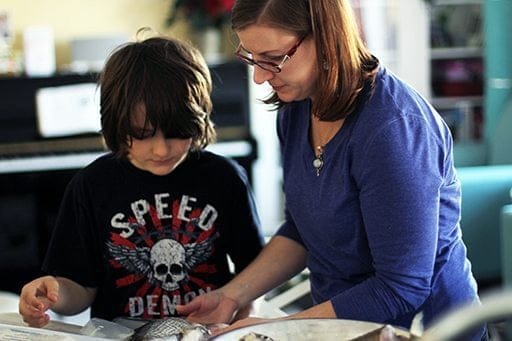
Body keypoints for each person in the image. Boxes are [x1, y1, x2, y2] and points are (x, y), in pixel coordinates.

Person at [176, 0, 487, 339]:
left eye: (273, 59)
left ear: (326, 38)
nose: (260, 76)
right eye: (252, 57)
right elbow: (301, 231)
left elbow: (400, 287)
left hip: (428, 329)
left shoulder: (393, 130)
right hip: (338, 329)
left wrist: (283, 329)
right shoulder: (297, 109)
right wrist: (230, 295)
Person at [18, 31, 264, 328]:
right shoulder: (92, 185)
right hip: (119, 333)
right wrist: (51, 293)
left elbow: (253, 277)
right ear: (116, 123)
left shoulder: (224, 178)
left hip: (204, 331)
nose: (161, 149)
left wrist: (241, 324)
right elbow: (80, 291)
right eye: (143, 134)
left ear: (198, 119)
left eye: (177, 132)